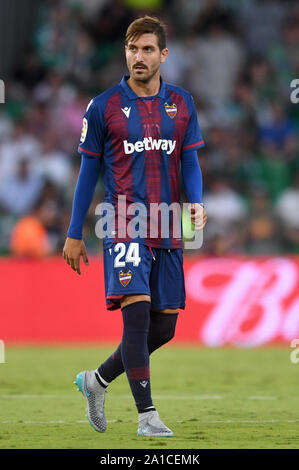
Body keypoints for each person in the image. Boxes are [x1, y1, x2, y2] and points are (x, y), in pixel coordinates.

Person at [62, 15, 207, 438]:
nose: (138, 57)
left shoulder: (182, 103)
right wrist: (74, 232)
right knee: (138, 316)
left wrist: (195, 203)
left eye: (147, 49)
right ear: (125, 52)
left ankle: (97, 380)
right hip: (123, 219)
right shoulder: (103, 105)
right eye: (131, 49)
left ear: (163, 54)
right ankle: (147, 417)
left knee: (164, 327)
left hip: (167, 221)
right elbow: (88, 172)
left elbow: (190, 161)